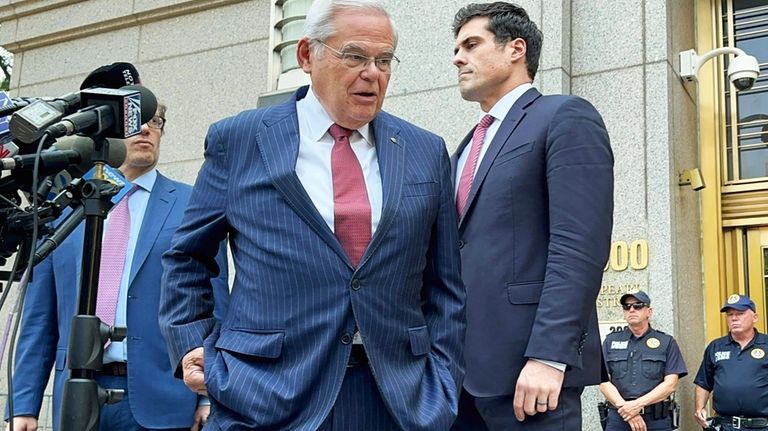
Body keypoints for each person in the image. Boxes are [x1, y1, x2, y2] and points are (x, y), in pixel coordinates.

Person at [158, 0, 466, 430]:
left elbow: (446, 282)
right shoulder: (242, 139)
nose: (372, 73)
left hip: (397, 398)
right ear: (306, 55)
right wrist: (192, 343)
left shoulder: (424, 150)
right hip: (264, 394)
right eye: (355, 56)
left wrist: (443, 377)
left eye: (383, 60)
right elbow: (188, 256)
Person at [7, 65, 230, 431]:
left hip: (166, 398)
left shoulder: (193, 205)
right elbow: (39, 317)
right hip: (76, 393)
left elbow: (214, 304)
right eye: (136, 119)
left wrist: (209, 395)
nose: (146, 129)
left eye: (155, 121)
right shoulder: (62, 207)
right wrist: (24, 405)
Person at [449, 2, 614, 430]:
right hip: (458, 379)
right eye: (456, 48)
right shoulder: (465, 148)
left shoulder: (563, 117)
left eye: (471, 44)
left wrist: (549, 355)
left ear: (515, 49)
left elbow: (578, 246)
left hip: (532, 378)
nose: (457, 58)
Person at [599, 291, 687, 431]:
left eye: (638, 305)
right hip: (619, 418)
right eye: (627, 306)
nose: (631, 310)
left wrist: (637, 405)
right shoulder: (610, 341)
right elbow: (603, 381)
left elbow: (671, 384)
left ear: (649, 311)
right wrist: (627, 410)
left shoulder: (666, 342)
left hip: (656, 420)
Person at [694, 294, 768, 431]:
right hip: (724, 425)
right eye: (730, 314)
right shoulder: (716, 347)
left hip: (761, 426)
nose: (734, 318)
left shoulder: (766, 345)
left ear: (755, 318)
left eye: (740, 314)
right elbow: (703, 383)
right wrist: (700, 408)